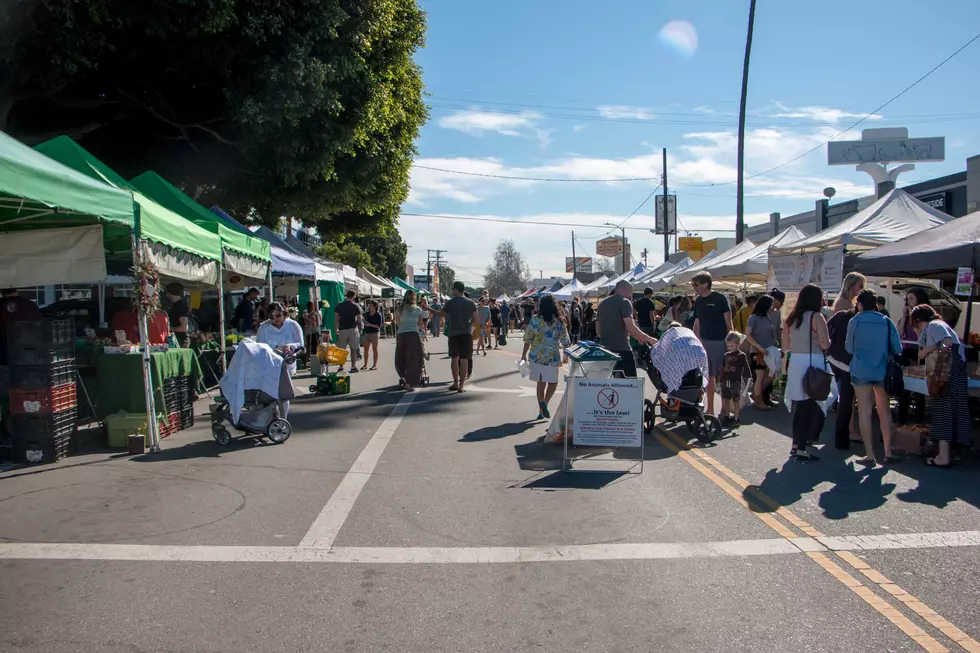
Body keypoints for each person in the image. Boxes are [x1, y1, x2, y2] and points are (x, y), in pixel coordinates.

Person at [911, 304, 972, 468]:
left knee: (942, 411)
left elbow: (946, 343)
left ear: (918, 321)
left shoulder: (934, 325)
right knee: (953, 412)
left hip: (946, 373)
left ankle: (943, 457)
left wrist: (925, 351)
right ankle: (950, 453)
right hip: (956, 372)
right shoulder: (942, 325)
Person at [846, 289, 902, 466]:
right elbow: (897, 348)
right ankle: (888, 452)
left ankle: (870, 455)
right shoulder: (886, 322)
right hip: (882, 370)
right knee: (884, 411)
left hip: (861, 370)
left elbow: (849, 348)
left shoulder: (854, 321)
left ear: (859, 304)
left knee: (864, 411)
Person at [783, 284, 833, 462]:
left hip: (795, 362)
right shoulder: (817, 317)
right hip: (813, 363)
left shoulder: (790, 319)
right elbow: (825, 344)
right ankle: (801, 448)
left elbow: (785, 347)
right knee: (810, 407)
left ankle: (796, 445)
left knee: (799, 406)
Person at [521, 294, 571, 419]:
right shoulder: (559, 321)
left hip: (536, 356)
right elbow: (565, 341)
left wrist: (523, 354)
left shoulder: (535, 319)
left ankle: (540, 408)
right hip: (551, 357)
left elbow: (528, 338)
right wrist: (565, 353)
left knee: (541, 382)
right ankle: (544, 404)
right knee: (553, 382)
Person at [690, 271, 733, 418]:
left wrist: (731, 342)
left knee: (723, 376)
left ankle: (724, 410)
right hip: (704, 342)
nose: (694, 287)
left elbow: (729, 322)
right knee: (709, 376)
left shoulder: (720, 298)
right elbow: (697, 323)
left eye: (696, 285)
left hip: (720, 341)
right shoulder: (698, 301)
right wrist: (694, 341)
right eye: (692, 285)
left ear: (705, 284)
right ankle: (710, 409)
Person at [596, 280, 657, 378]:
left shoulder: (602, 304)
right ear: (623, 288)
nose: (630, 295)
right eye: (630, 291)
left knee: (608, 385)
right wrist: (649, 339)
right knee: (629, 385)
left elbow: (598, 331)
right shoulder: (625, 302)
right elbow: (631, 328)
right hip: (622, 350)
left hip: (605, 350)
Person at [426, 281, 478, 393]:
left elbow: (440, 314)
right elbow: (476, 319)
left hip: (453, 333)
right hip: (466, 333)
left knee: (454, 358)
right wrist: (469, 324)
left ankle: (455, 382)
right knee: (464, 360)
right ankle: (461, 385)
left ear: (455, 289)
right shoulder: (471, 303)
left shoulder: (450, 302)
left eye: (453, 289)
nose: (452, 291)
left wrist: (428, 308)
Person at [256, 302, 304, 416]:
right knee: (270, 392)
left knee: (283, 392)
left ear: (283, 313)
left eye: (277, 316)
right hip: (269, 363)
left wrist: (291, 346)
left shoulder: (292, 325)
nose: (275, 319)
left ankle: (283, 418)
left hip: (286, 363)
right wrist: (271, 351)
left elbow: (301, 343)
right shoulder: (264, 328)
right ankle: (271, 417)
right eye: (271, 317)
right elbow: (259, 346)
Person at [827, 304, 859, 450]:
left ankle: (811, 433)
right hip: (848, 365)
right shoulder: (858, 320)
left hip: (832, 359)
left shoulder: (840, 315)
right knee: (845, 403)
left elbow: (826, 331)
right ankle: (841, 440)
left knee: (823, 396)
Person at [743, 295, 777, 411]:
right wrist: (759, 347)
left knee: (769, 376)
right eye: (770, 304)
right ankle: (759, 400)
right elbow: (748, 335)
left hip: (768, 351)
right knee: (761, 376)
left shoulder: (766, 317)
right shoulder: (754, 318)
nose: (772, 307)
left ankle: (758, 395)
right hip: (757, 352)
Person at [394, 290, 425, 391]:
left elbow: (397, 322)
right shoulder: (417, 309)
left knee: (401, 357)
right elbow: (420, 324)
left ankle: (403, 375)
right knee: (413, 358)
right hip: (413, 334)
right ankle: (410, 382)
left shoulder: (399, 309)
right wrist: (421, 331)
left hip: (401, 335)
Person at [719, 331, 752, 427]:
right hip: (726, 381)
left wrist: (749, 378)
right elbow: (723, 368)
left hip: (735, 381)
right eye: (728, 346)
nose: (729, 348)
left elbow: (746, 368)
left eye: (732, 346)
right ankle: (726, 416)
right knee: (725, 398)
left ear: (738, 344)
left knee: (736, 400)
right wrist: (720, 379)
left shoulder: (741, 355)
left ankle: (736, 418)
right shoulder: (726, 355)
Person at [333, 290, 363, 373]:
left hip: (342, 329)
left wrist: (336, 328)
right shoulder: (356, 306)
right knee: (353, 348)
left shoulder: (339, 305)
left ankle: (341, 366)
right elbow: (359, 319)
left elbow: (336, 318)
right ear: (353, 297)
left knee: (342, 349)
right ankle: (353, 366)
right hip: (353, 329)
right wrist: (359, 329)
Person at [163, 282, 190, 347]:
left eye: (167, 292)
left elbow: (184, 327)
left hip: (181, 341)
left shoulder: (181, 306)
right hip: (176, 339)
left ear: (170, 293)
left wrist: (169, 329)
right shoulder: (175, 305)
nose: (166, 295)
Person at [362, 301, 383, 371]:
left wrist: (369, 324)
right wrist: (364, 322)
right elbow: (365, 322)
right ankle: (365, 365)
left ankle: (374, 365)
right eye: (369, 306)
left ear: (375, 306)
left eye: (371, 306)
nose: (370, 307)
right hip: (367, 333)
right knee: (365, 349)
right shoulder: (367, 314)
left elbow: (378, 326)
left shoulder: (378, 315)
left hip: (374, 333)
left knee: (374, 349)